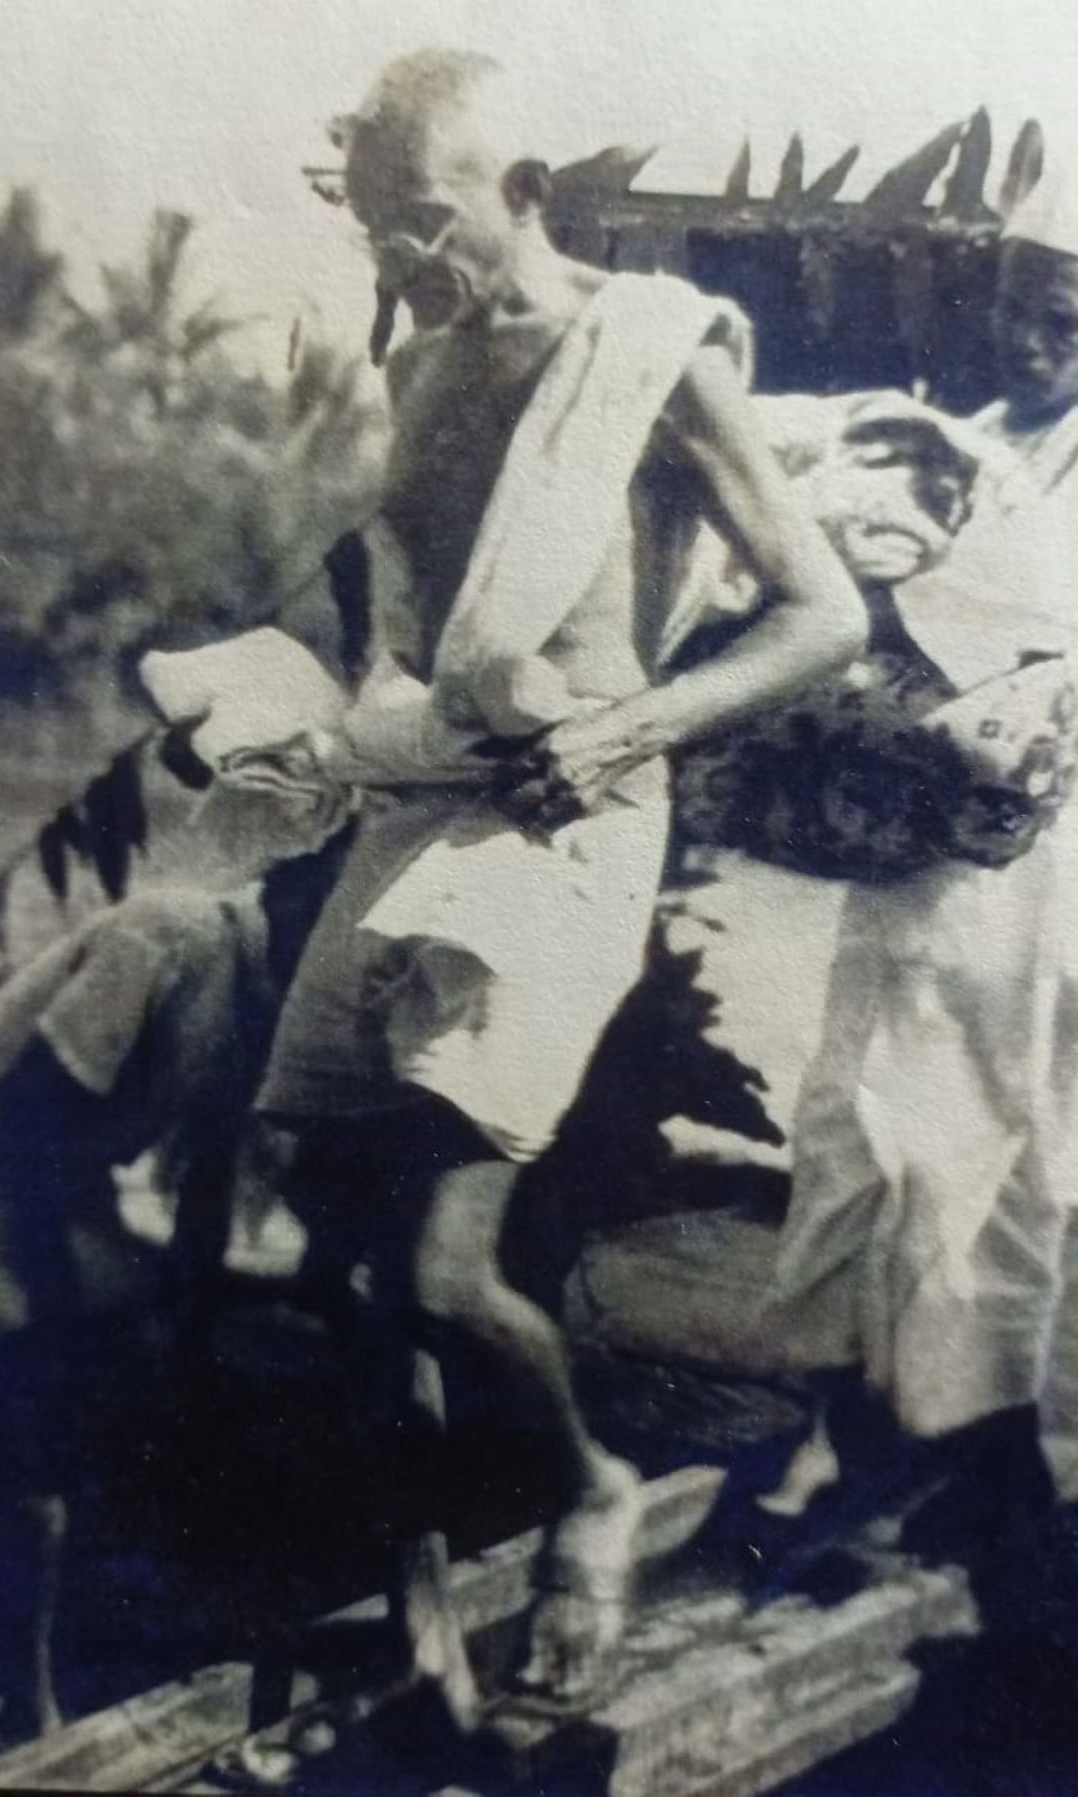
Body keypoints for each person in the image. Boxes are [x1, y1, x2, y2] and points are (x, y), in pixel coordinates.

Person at [218, 48, 866, 1718]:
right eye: (373, 230)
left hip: (579, 821)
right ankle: (420, 1605)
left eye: (423, 225)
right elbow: (420, 637)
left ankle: (591, 1485)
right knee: (342, 1242)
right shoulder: (422, 368)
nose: (397, 264)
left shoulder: (646, 356)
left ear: (522, 189)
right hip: (423, 803)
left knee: (440, 1265)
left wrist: (627, 727)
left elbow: (825, 618)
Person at [751, 170, 1078, 1553]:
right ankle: (856, 1415)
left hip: (1034, 838)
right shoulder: (974, 432)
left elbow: (1042, 612)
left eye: (1066, 319)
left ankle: (976, 1445)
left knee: (989, 1135)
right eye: (1017, 309)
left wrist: (902, 562)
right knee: (851, 1104)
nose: (1034, 340)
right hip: (923, 818)